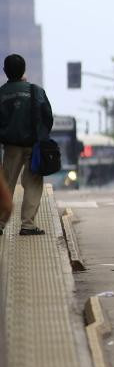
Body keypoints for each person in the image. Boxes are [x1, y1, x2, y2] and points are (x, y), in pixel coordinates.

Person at [0, 54, 53, 236]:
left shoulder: (1, 93)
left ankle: (0, 223)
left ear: (5, 71)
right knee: (33, 184)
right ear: (23, 70)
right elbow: (48, 117)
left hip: (11, 147)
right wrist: (41, 136)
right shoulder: (36, 91)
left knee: (6, 184)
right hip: (34, 147)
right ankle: (28, 225)